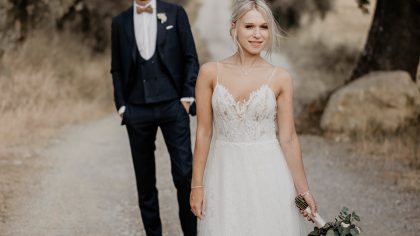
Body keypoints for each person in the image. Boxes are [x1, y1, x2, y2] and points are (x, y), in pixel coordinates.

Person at [189, 0, 317, 235]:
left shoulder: (280, 77)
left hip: (269, 174)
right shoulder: (210, 72)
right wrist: (197, 185)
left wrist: (303, 191)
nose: (258, 34)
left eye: (264, 27)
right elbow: (203, 133)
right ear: (234, 27)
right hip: (223, 175)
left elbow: (288, 138)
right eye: (249, 27)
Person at [110, 0, 199, 235]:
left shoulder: (175, 13)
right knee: (145, 182)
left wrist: (187, 96)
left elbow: (190, 56)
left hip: (173, 106)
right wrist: (122, 106)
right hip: (136, 110)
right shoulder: (119, 22)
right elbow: (116, 68)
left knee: (184, 175)